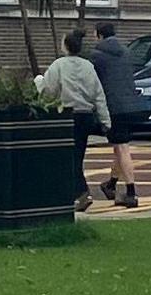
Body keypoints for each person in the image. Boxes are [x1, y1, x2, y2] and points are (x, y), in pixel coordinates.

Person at [34, 29, 110, 215]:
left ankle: (82, 193)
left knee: (68, 158)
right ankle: (78, 193)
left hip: (67, 116)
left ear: (66, 46)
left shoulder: (59, 65)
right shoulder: (88, 66)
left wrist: (38, 81)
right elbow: (98, 95)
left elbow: (48, 90)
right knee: (78, 155)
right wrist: (105, 120)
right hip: (86, 116)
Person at [90, 20, 144, 208]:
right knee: (120, 146)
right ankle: (111, 184)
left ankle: (131, 192)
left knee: (122, 148)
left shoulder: (96, 56)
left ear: (99, 35)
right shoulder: (127, 53)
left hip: (114, 107)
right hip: (131, 105)